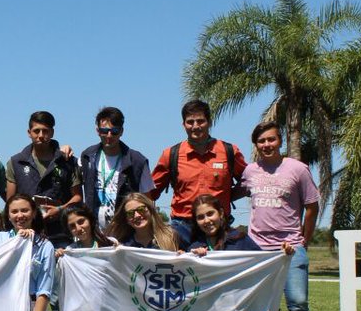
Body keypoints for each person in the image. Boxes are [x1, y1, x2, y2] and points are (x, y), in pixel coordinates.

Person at [241, 121, 321, 311]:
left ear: (280, 140)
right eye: (261, 141)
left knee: (298, 303)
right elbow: (234, 193)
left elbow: (312, 206)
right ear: (256, 145)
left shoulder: (297, 169)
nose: (267, 145)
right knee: (270, 308)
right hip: (259, 250)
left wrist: (304, 239)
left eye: (271, 139)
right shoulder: (250, 171)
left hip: (291, 248)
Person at [149, 99, 247, 247]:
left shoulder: (229, 151)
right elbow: (150, 192)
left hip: (219, 227)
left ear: (209, 122)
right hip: (182, 229)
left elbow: (248, 182)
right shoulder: (171, 155)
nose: (195, 126)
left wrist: (229, 196)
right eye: (190, 122)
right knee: (159, 251)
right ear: (183, 124)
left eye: (200, 121)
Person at [6, 110, 82, 249]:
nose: (41, 135)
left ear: (52, 132)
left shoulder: (68, 161)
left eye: (45, 131)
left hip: (61, 234)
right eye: (36, 131)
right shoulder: (16, 162)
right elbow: (10, 201)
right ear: (29, 132)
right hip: (27, 234)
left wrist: (59, 210)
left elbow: (77, 197)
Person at [78, 107, 154, 230]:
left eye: (114, 131)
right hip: (94, 231)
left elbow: (147, 200)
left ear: (121, 131)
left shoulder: (137, 161)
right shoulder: (87, 156)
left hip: (126, 230)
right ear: (98, 131)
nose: (109, 135)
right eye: (104, 130)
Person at [187, 194, 263, 253]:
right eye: (200, 217)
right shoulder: (194, 248)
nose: (206, 220)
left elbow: (261, 262)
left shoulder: (239, 240)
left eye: (210, 214)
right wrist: (193, 258)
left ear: (221, 213)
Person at [105, 193, 182, 251]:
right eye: (130, 213)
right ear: (126, 220)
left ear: (150, 210)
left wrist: (181, 256)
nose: (137, 215)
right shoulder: (123, 246)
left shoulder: (171, 236)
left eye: (141, 209)